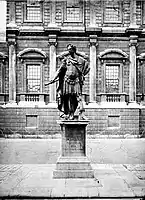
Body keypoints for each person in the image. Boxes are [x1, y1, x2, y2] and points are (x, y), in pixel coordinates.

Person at [46, 44, 90, 120]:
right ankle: (71, 113)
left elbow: (87, 67)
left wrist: (82, 74)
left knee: (78, 97)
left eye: (70, 49)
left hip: (76, 81)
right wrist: (53, 79)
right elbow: (60, 71)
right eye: (68, 49)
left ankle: (82, 113)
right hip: (67, 81)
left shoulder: (81, 60)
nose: (69, 51)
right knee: (69, 98)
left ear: (74, 50)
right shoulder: (66, 60)